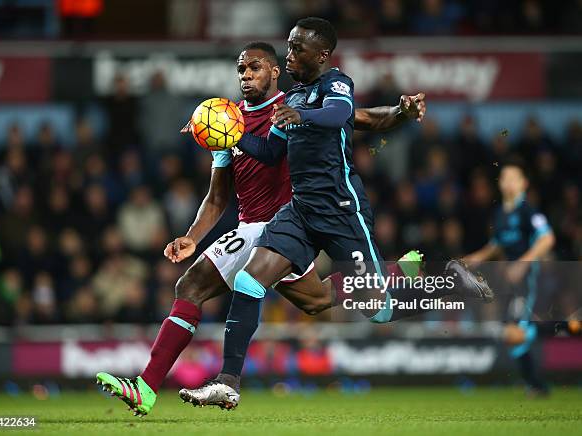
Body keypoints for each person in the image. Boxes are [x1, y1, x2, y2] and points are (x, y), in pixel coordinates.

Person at [96, 39, 429, 416]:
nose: (246, 75)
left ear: (274, 72)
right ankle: (396, 272)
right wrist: (191, 237)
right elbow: (218, 197)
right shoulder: (226, 120)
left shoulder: (294, 104)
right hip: (258, 226)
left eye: (254, 68)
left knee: (191, 286)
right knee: (316, 300)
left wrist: (399, 114)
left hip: (285, 220)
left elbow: (359, 117)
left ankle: (154, 386)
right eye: (241, 69)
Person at [181, 17, 491, 410]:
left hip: (342, 210)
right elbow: (270, 153)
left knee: (379, 310)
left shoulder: (335, 84)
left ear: (321, 55)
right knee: (249, 281)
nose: (289, 54)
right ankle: (227, 382)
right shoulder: (292, 98)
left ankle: (449, 281)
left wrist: (304, 117)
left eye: (297, 48)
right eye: (289, 46)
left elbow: (339, 114)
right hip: (300, 211)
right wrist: (228, 132)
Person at [465, 158, 555, 396]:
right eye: (505, 178)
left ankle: (564, 327)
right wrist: (477, 257)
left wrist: (523, 264)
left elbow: (547, 239)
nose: (508, 182)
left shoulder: (528, 211)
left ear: (524, 183)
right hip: (510, 283)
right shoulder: (500, 214)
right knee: (513, 337)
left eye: (514, 178)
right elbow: (497, 244)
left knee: (514, 331)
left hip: (527, 281)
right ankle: (536, 385)